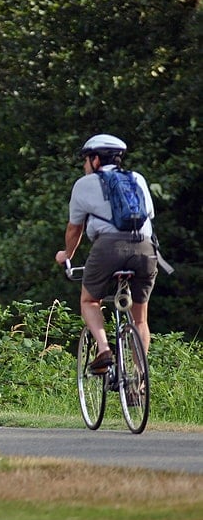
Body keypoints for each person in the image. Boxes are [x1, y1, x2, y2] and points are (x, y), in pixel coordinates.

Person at [54, 134, 158, 372]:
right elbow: (148, 217)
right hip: (146, 248)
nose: (84, 166)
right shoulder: (137, 179)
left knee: (89, 300)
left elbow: (74, 228)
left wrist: (67, 254)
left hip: (108, 248)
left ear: (96, 160)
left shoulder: (84, 184)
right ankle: (138, 379)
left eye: (86, 160)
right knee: (140, 319)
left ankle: (103, 351)